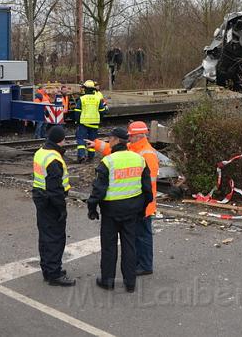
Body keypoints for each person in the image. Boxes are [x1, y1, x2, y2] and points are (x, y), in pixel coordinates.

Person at [86, 127, 152, 292]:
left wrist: (92, 207)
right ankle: (130, 283)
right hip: (132, 210)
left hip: (111, 211)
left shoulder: (108, 162)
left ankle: (107, 281)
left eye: (110, 138)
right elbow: (147, 189)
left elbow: (98, 189)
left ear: (115, 140)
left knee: (109, 246)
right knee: (130, 246)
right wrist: (142, 208)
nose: (109, 141)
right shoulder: (139, 159)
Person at [32, 126, 76, 287]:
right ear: (59, 140)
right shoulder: (53, 159)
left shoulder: (41, 152)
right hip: (51, 202)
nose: (65, 142)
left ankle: (48, 270)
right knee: (55, 238)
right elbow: (55, 189)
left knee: (45, 237)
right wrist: (61, 209)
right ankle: (54, 274)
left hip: (41, 198)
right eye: (64, 139)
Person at [72, 80, 107, 163]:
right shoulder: (98, 99)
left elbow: (77, 111)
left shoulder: (82, 99)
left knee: (81, 139)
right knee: (92, 140)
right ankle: (91, 157)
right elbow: (102, 111)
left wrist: (77, 121)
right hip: (94, 123)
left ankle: (81, 155)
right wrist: (99, 120)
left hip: (83, 123)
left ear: (85, 89)